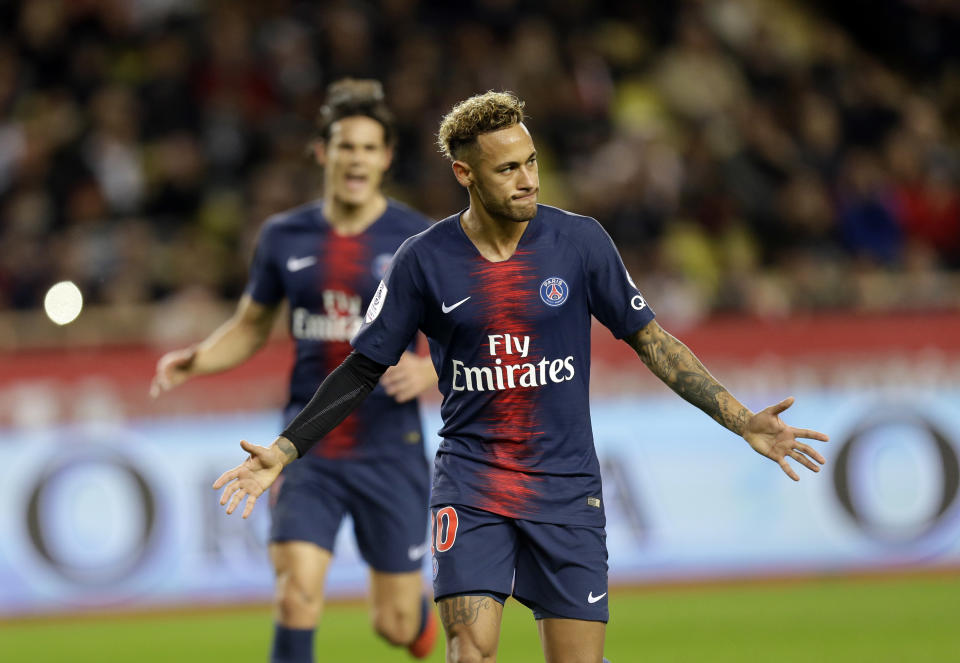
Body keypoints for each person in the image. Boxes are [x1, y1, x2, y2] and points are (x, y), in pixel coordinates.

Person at [212, 92, 829, 663]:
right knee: (470, 649)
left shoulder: (580, 242)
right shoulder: (422, 261)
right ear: (466, 174)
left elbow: (653, 342)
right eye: (508, 169)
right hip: (472, 483)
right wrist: (286, 450)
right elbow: (363, 367)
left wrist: (741, 419)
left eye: (531, 162)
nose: (528, 178)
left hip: (566, 489)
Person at [152, 79, 439, 662]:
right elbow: (252, 325)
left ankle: (416, 618)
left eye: (368, 148)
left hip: (391, 444)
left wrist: (432, 374)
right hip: (305, 446)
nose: (355, 158)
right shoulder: (284, 237)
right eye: (344, 146)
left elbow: (472, 333)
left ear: (385, 158)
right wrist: (198, 358)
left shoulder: (418, 238)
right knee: (297, 595)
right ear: (322, 153)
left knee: (395, 622)